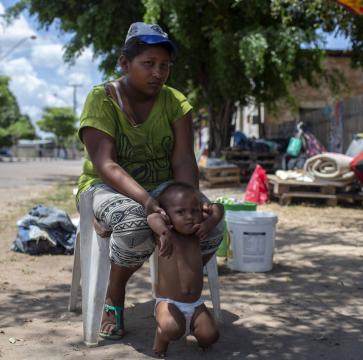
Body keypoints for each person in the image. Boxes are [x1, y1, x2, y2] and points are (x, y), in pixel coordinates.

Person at [76, 22, 224, 340]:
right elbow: (105, 163)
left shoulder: (175, 102)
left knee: (210, 225)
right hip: (105, 185)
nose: (158, 73)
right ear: (124, 63)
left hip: (162, 186)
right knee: (134, 223)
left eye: (165, 66)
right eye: (149, 64)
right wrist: (147, 203)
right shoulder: (102, 99)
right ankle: (114, 295)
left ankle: (176, 295)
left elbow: (184, 160)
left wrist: (193, 200)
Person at [147, 182, 223, 356]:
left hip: (195, 304)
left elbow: (219, 207)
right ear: (166, 215)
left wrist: (209, 223)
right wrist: (163, 233)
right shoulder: (167, 234)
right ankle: (161, 336)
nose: (189, 216)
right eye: (180, 212)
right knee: (172, 330)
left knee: (211, 336)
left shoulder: (196, 233)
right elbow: (152, 218)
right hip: (169, 303)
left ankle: (197, 332)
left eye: (194, 211)